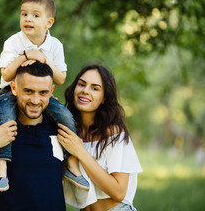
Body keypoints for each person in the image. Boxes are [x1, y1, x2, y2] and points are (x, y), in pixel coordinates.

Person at [0, 0, 88, 192]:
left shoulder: (55, 45)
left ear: (49, 23)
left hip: (41, 94)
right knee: (7, 121)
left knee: (65, 115)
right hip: (10, 93)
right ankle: (1, 168)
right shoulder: (13, 42)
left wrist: (43, 58)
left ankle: (72, 163)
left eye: (35, 15)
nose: (28, 19)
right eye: (24, 14)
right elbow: (7, 73)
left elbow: (60, 78)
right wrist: (25, 55)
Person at [0, 62, 66, 211]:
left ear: (51, 91)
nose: (35, 100)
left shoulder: (59, 128)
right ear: (14, 88)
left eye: (43, 92)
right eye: (28, 91)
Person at [57, 64, 142, 211]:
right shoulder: (71, 132)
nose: (85, 91)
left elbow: (119, 192)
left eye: (95, 88)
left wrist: (80, 151)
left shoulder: (113, 133)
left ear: (104, 98)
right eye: (81, 84)